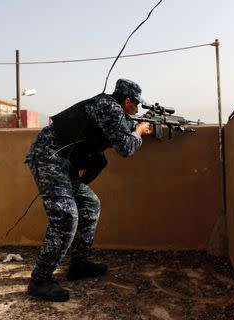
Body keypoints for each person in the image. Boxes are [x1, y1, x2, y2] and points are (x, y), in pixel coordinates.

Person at [24, 79, 153, 302]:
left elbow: (115, 131)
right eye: (136, 104)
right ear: (127, 100)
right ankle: (40, 280)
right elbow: (126, 148)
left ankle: (78, 264)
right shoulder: (110, 107)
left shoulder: (113, 110)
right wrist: (139, 131)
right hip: (50, 157)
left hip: (64, 162)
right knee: (66, 216)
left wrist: (133, 127)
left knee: (90, 204)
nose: (138, 109)